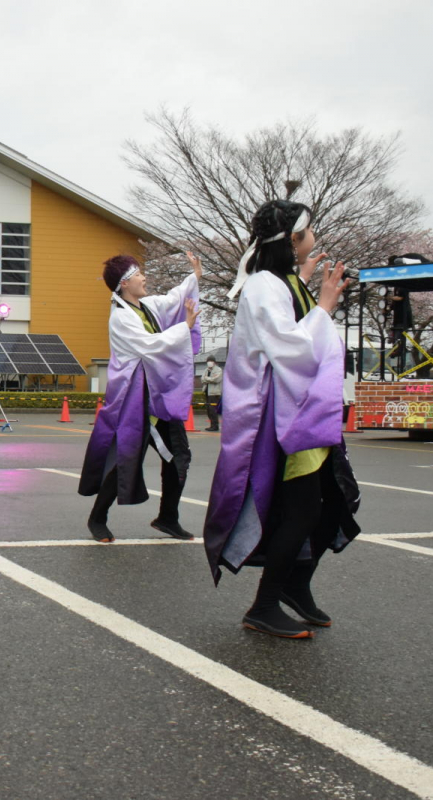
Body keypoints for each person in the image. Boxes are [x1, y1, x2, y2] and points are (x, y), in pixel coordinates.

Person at [204, 199, 361, 639]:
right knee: (308, 507)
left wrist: (307, 283)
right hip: (287, 418)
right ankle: (266, 602)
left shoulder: (281, 282)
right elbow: (293, 346)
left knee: (333, 500)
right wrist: (325, 305)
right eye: (308, 232)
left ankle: (294, 586)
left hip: (305, 413)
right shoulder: (264, 286)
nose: (315, 239)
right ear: (293, 239)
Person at [79, 254, 201, 543]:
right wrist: (184, 327)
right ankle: (97, 517)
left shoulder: (145, 306)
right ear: (124, 283)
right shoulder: (122, 318)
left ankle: (168, 517)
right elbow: (151, 345)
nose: (144, 278)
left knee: (179, 456)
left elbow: (173, 298)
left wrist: (194, 277)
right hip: (135, 399)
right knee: (126, 458)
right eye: (138, 274)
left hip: (158, 395)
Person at [201, 355, 223, 432]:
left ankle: (215, 425)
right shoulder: (206, 370)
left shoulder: (218, 370)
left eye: (211, 361)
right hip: (207, 392)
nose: (209, 363)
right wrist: (208, 379)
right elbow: (202, 379)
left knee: (213, 410)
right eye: (208, 361)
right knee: (208, 410)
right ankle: (211, 425)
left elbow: (216, 379)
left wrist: (207, 379)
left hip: (214, 393)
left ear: (214, 362)